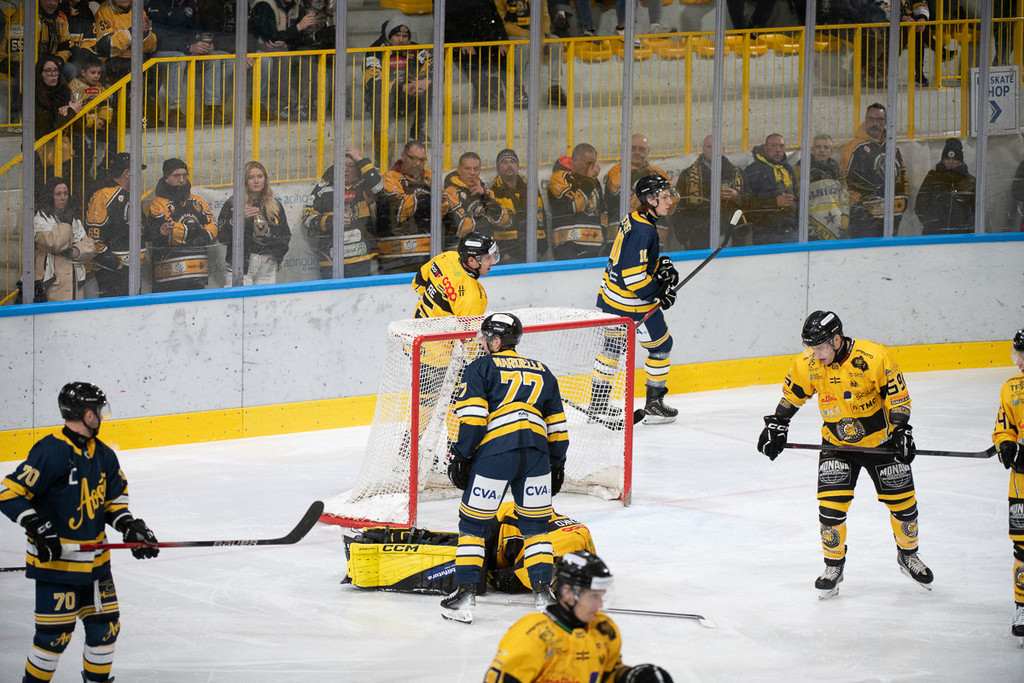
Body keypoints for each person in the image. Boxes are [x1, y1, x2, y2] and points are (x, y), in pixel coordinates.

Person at [757, 310, 933, 598]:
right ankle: (833, 566)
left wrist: (901, 429)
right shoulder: (808, 363)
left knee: (905, 508)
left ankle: (908, 555)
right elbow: (792, 395)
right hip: (836, 445)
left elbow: (897, 397)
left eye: (820, 348)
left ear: (837, 340)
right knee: (830, 511)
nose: (815, 355)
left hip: (882, 444)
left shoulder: (874, 357)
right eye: (810, 348)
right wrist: (778, 423)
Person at [0, 381, 159, 683]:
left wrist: (129, 526)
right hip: (58, 567)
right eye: (98, 410)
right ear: (87, 414)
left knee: (106, 630)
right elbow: (9, 494)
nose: (101, 415)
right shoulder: (51, 452)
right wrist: (36, 525)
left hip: (97, 566)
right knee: (53, 639)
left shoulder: (104, 455)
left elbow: (112, 502)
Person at [440, 312, 568, 623]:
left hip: (496, 455)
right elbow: (557, 425)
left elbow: (473, 419)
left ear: (497, 341)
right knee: (537, 528)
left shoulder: (481, 367)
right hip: (537, 455)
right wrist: (557, 462)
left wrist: (462, 455)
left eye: (485, 337)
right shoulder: (543, 371)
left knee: (473, 526)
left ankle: (465, 597)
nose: (481, 342)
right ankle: (544, 597)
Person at [486, 551, 674, 682]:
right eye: (593, 597)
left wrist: (630, 676)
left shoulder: (604, 629)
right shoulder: (532, 635)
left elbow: (608, 674)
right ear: (568, 593)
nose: (599, 605)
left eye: (601, 596)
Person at [596, 175, 679, 424]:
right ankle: (654, 405)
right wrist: (659, 292)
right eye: (664, 197)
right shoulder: (645, 230)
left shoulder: (634, 217)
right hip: (631, 304)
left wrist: (659, 266)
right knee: (661, 346)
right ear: (650, 200)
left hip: (610, 297)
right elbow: (633, 278)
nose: (670, 201)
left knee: (611, 349)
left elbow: (630, 261)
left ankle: (598, 403)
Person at [302, 148, 382, 279]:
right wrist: (332, 221)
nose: (345, 169)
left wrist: (362, 160)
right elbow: (307, 218)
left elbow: (378, 187)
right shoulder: (324, 187)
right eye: (342, 165)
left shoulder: (364, 186)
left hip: (361, 260)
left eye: (351, 166)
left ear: (358, 169)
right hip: (331, 261)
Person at [992, 329, 1024, 640]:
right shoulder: (1011, 388)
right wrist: (1006, 443)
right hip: (1021, 482)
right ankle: (1023, 606)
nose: (1020, 362)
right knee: (1023, 546)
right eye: (1018, 355)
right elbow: (1005, 426)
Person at [363, 18, 431, 161]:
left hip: (409, 95)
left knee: (431, 86)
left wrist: (426, 80)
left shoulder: (416, 49)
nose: (401, 40)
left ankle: (416, 132)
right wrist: (402, 87)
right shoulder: (375, 51)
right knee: (379, 96)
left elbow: (434, 64)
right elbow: (372, 82)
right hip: (385, 97)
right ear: (389, 36)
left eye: (405, 36)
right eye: (397, 36)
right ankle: (380, 152)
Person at [144, 157, 217, 291]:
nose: (182, 180)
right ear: (166, 178)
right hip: (168, 278)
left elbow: (214, 228)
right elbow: (171, 233)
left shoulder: (198, 201)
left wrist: (186, 232)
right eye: (177, 176)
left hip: (197, 274)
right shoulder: (158, 203)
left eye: (184, 175)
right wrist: (198, 230)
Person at [841, 103, 909, 238]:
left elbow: (903, 178)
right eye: (871, 119)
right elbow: (844, 183)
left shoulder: (893, 148)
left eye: (879, 119)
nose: (875, 123)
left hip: (892, 218)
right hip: (865, 223)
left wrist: (903, 203)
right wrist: (861, 211)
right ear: (865, 120)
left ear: (886, 122)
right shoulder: (853, 149)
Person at [218, 160, 292, 285]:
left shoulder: (275, 205)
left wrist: (277, 254)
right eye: (251, 177)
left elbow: (285, 234)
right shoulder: (233, 204)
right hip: (241, 265)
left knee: (267, 298)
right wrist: (237, 220)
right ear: (244, 181)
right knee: (240, 297)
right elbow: (222, 237)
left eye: (260, 176)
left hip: (267, 264)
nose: (256, 181)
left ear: (265, 179)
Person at [86, 152, 145, 298]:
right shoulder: (104, 195)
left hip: (133, 270)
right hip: (113, 272)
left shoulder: (131, 196)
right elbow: (94, 237)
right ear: (127, 173)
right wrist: (115, 265)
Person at [248, 0, 318, 121]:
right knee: (283, 58)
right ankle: (283, 105)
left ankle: (304, 105)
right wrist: (299, 27)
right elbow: (272, 37)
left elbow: (301, 38)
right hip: (262, 49)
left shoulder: (297, 7)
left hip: (287, 48)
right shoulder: (264, 5)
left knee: (308, 57)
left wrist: (289, 41)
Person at [673, 133, 745, 250]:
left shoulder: (737, 173)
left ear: (723, 149)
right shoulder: (687, 175)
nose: (713, 150)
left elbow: (751, 201)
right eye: (709, 147)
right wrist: (685, 236)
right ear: (703, 149)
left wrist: (737, 197)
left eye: (716, 147)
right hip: (698, 235)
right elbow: (678, 206)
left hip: (732, 232)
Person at [411, 231, 498, 319]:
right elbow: (469, 328)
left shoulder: (447, 257)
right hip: (438, 328)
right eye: (488, 258)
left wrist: (436, 299)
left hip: (416, 323)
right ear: (471, 261)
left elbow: (417, 283)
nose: (493, 262)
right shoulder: (473, 297)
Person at [34, 176, 95, 301]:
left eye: (65, 193)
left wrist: (74, 252)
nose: (63, 198)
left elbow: (89, 247)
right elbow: (53, 243)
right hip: (53, 285)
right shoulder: (41, 219)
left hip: (75, 284)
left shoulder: (73, 218)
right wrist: (66, 224)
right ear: (50, 196)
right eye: (58, 194)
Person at [376, 139, 432, 274]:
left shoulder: (430, 177)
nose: (417, 163)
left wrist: (419, 202)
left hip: (428, 252)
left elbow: (443, 206)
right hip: (395, 257)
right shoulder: (390, 177)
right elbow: (397, 206)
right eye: (413, 158)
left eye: (421, 160)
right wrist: (425, 200)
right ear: (403, 156)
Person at [603, 133, 672, 241]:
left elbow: (672, 202)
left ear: (648, 150)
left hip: (654, 234)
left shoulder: (659, 173)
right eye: (633, 148)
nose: (637, 152)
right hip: (625, 234)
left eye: (642, 149)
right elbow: (630, 202)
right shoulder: (616, 172)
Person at [547, 142, 608, 260]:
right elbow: (575, 205)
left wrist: (602, 237)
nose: (592, 168)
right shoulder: (560, 177)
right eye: (588, 163)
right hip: (568, 247)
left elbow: (602, 211)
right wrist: (589, 180)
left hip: (594, 247)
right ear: (574, 161)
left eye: (594, 163)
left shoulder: (593, 180)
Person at [489, 147, 548, 263]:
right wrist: (503, 254)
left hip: (533, 251)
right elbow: (489, 227)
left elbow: (542, 216)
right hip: (508, 255)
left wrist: (542, 248)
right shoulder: (493, 192)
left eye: (512, 162)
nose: (509, 165)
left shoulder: (530, 187)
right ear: (498, 168)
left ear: (517, 165)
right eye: (504, 162)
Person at [742, 133, 797, 245]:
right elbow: (746, 203)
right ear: (765, 148)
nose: (778, 150)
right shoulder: (752, 171)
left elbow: (797, 195)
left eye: (781, 146)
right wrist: (774, 202)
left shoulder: (787, 169)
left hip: (790, 230)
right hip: (764, 233)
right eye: (773, 146)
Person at [442, 151, 508, 242]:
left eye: (476, 169)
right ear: (459, 170)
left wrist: (485, 196)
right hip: (458, 246)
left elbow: (503, 219)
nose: (472, 173)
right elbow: (462, 228)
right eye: (467, 169)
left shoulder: (485, 191)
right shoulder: (450, 192)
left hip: (485, 244)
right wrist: (487, 221)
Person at [914, 137, 975, 235]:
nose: (950, 162)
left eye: (955, 159)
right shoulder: (932, 178)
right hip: (934, 234)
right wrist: (932, 225)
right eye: (947, 159)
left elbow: (975, 210)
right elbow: (920, 205)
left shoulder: (969, 181)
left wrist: (966, 228)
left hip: (961, 236)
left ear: (961, 161)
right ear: (942, 160)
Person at [794, 133, 849, 241]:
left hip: (835, 225)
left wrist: (845, 217)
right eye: (818, 147)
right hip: (813, 225)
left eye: (826, 147)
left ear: (831, 150)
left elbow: (844, 195)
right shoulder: (802, 167)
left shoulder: (836, 168)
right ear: (812, 150)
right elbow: (797, 197)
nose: (822, 150)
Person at [92, 0, 158, 84]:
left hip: (136, 59)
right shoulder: (104, 10)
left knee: (152, 68)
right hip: (113, 62)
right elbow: (104, 47)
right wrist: (132, 32)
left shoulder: (138, 10)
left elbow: (151, 47)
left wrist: (145, 33)